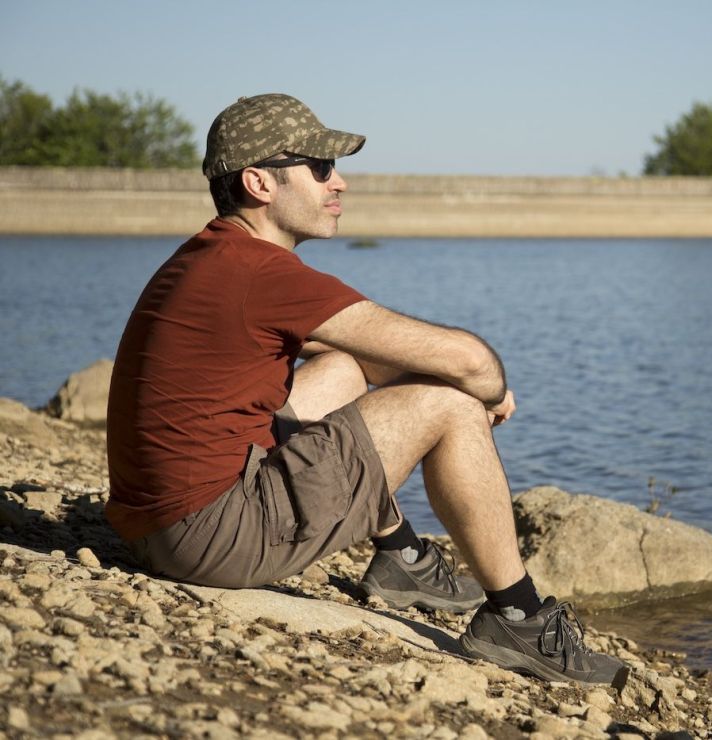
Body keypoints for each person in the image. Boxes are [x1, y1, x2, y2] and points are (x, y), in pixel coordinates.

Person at [105, 93, 627, 686]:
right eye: (321, 167)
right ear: (259, 183)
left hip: (157, 526)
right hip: (210, 537)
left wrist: (418, 382)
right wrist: (473, 394)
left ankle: (402, 558)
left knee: (345, 368)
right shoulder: (261, 272)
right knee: (452, 405)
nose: (341, 182)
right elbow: (474, 363)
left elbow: (360, 355)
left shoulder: (211, 256)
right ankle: (520, 619)